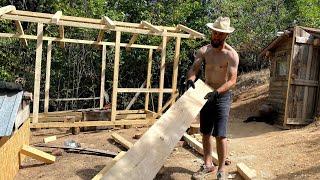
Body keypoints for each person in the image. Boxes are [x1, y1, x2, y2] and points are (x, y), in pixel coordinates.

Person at [187, 17, 239, 180]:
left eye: (220, 34)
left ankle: (222, 169)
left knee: (221, 134)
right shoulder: (204, 51)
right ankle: (208, 164)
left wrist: (217, 93)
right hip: (205, 93)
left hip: (222, 96)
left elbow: (232, 80)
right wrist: (190, 80)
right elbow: (194, 69)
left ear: (226, 36)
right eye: (214, 33)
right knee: (205, 132)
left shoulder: (231, 55)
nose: (216, 36)